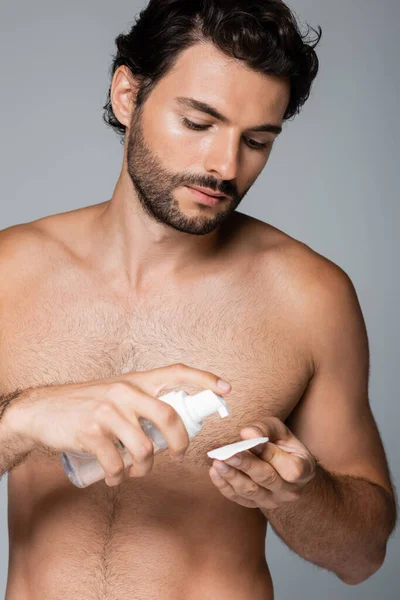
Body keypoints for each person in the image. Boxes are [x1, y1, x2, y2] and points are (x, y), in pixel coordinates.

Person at [0, 0, 396, 597]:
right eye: (199, 123)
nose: (224, 166)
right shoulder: (9, 271)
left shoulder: (310, 298)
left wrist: (299, 495)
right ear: (128, 95)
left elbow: (362, 556)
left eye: (257, 140)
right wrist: (23, 420)